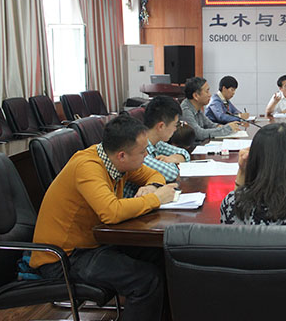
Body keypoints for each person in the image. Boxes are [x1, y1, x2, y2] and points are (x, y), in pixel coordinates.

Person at [30, 115, 177, 321]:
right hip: (63, 258)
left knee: (163, 255)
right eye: (142, 152)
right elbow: (111, 212)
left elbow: (154, 175)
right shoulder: (88, 166)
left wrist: (152, 186)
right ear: (122, 155)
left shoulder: (116, 160)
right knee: (146, 280)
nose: (146, 155)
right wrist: (156, 198)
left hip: (95, 243)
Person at [123, 95, 190, 198]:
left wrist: (172, 159)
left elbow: (185, 153)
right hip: (131, 203)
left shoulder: (156, 143)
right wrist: (175, 163)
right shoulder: (138, 148)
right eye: (175, 125)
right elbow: (172, 174)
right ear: (161, 126)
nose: (175, 129)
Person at [181, 76, 241, 143]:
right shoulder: (185, 110)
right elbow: (198, 134)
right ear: (196, 96)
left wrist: (226, 127)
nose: (210, 95)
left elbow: (210, 125)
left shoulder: (197, 108)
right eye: (207, 91)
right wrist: (227, 129)